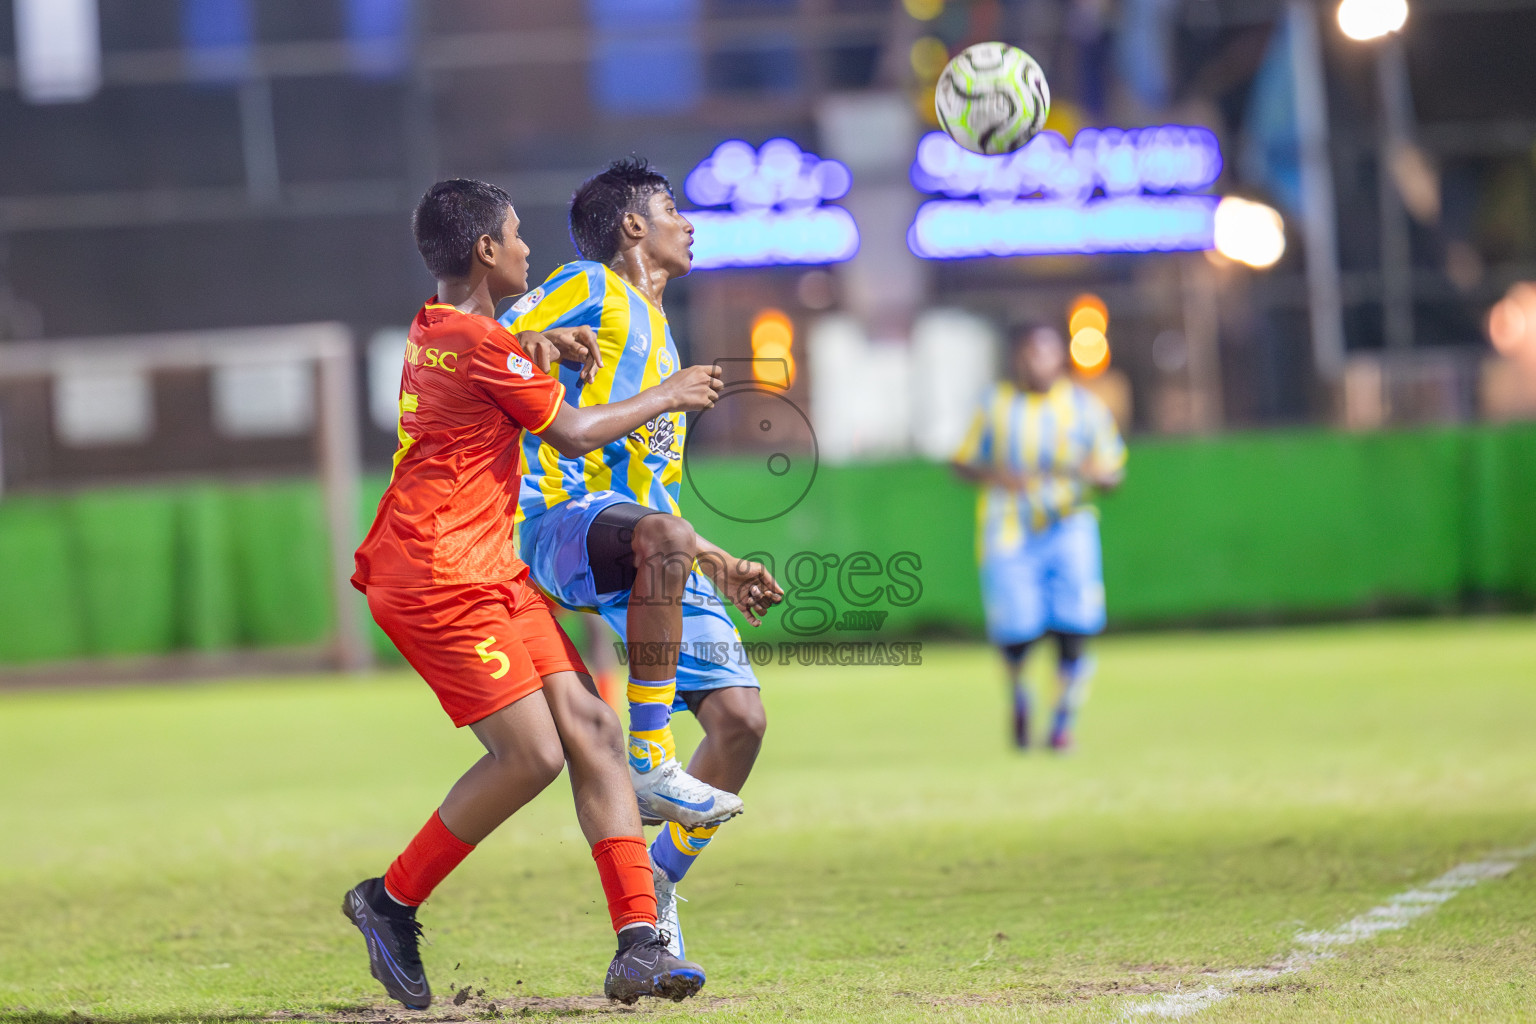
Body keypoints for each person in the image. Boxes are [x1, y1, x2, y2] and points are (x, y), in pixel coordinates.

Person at [343, 178, 725, 1008]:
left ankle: (639, 945)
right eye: (515, 236)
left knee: (591, 726)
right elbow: (577, 429)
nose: (526, 247)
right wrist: (670, 391)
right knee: (534, 755)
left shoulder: (439, 326)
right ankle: (389, 900)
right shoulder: (486, 346)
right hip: (436, 575)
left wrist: (540, 343)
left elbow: (483, 365)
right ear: (486, 251)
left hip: (487, 565)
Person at [500, 158, 782, 958]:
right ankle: (651, 760)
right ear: (633, 227)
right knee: (657, 540)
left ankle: (656, 882)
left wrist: (719, 562)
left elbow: (654, 500)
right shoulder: (591, 284)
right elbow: (495, 340)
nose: (687, 223)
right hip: (558, 522)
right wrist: (543, 339)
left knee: (741, 724)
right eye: (671, 209)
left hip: (643, 538)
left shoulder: (661, 334)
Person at [951, 322, 1126, 751]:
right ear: (1019, 357)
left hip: (1069, 525)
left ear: (1059, 357)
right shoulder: (996, 405)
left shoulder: (1084, 408)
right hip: (1009, 529)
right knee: (1017, 632)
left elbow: (1113, 471)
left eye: (1046, 353)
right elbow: (962, 461)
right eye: (1031, 353)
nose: (1038, 362)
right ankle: (1020, 697)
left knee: (1075, 625)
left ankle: (1063, 721)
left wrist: (1098, 475)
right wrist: (997, 476)